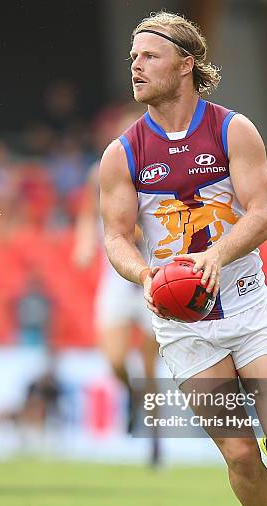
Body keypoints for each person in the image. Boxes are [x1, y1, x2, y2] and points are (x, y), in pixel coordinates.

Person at [100, 11, 267, 506]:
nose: (137, 65)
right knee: (240, 455)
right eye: (132, 57)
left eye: (149, 55)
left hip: (247, 307)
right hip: (183, 327)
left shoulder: (233, 130)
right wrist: (144, 273)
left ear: (186, 62)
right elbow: (116, 237)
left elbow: (264, 214)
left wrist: (216, 256)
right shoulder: (123, 152)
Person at [74, 105, 161, 466]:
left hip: (154, 281)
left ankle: (154, 439)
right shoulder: (102, 171)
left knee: (151, 363)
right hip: (116, 281)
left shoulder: (159, 173)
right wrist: (81, 243)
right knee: (114, 360)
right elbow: (87, 214)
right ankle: (133, 394)